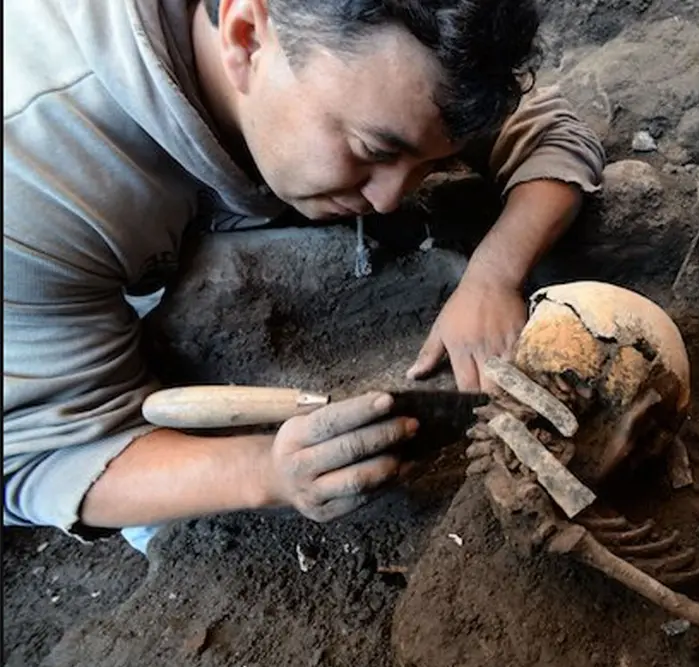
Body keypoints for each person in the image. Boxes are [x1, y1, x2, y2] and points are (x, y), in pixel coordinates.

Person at [3, 0, 606, 555]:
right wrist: (265, 472)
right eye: (374, 151)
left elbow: (554, 132)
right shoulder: (34, 174)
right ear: (246, 37)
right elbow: (36, 461)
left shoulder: (377, 61)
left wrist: (492, 276)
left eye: (434, 163)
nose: (391, 198)